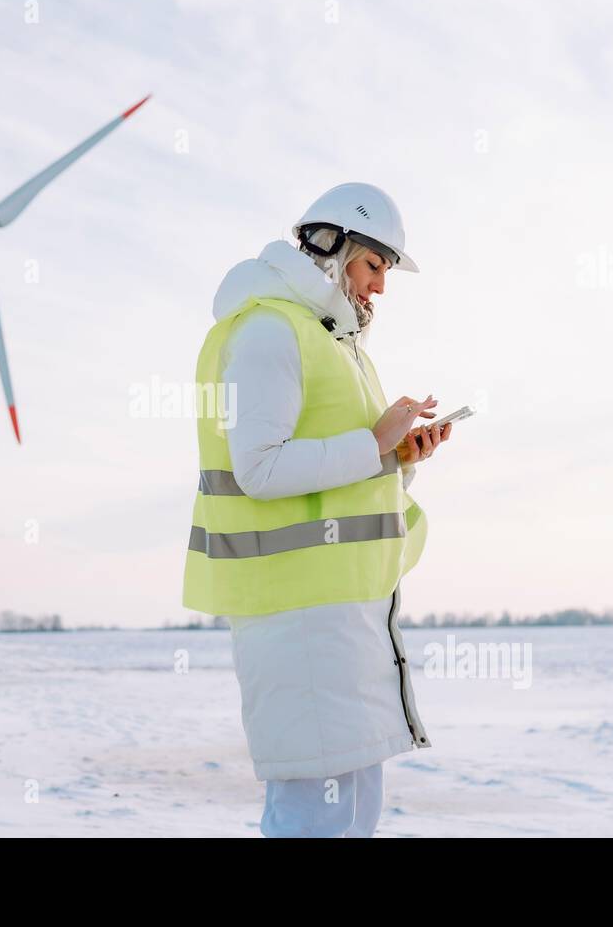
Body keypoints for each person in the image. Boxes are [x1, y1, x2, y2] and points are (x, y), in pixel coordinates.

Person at [182, 182, 454, 837]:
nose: (380, 288)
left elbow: (342, 480)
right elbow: (260, 469)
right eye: (374, 266)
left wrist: (399, 459)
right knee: (314, 820)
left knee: (355, 812)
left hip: (346, 619)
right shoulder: (270, 330)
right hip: (296, 622)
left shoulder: (334, 345)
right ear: (329, 248)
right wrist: (374, 442)